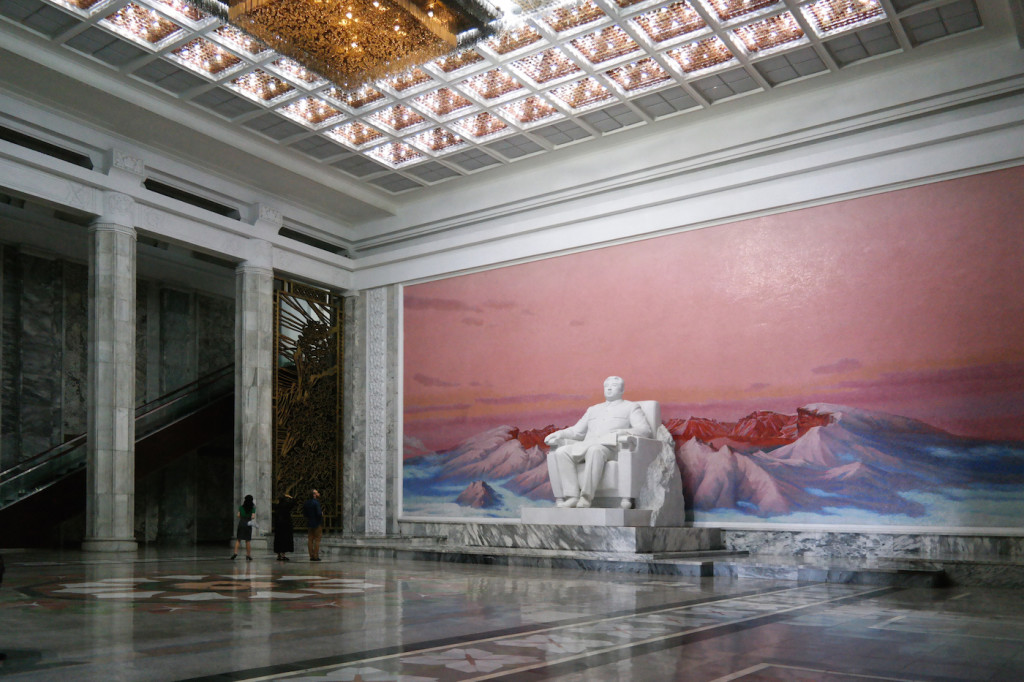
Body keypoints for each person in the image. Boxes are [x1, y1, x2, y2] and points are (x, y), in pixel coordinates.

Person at [544, 376, 653, 508]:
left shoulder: (631, 407)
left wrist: (622, 432)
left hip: (611, 448)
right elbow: (577, 431)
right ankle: (572, 495)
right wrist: (558, 434)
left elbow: (644, 430)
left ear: (622, 389)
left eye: (613, 385)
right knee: (561, 452)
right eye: (606, 385)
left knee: (594, 450)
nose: (609, 387)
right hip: (587, 445)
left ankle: (586, 497)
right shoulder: (593, 409)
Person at [273, 493, 296, 561]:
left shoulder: (277, 506)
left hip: (278, 526)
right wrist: (290, 496)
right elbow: (294, 502)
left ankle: (278, 555)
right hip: (286, 525)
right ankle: (283, 555)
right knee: (284, 540)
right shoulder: (286, 506)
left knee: (278, 540)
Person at [232, 494, 256, 561]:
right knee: (247, 540)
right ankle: (248, 555)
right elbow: (253, 517)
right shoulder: (252, 508)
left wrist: (243, 517)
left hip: (241, 523)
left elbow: (238, 515)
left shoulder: (241, 507)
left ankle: (235, 553)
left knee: (238, 539)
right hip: (248, 523)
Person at [303, 488, 324, 561]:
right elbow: (318, 513)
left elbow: (305, 514)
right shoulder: (316, 502)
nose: (318, 494)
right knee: (317, 540)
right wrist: (321, 514)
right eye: (317, 493)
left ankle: (311, 555)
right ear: (314, 495)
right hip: (317, 523)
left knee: (310, 539)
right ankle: (315, 555)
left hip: (309, 523)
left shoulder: (306, 502)